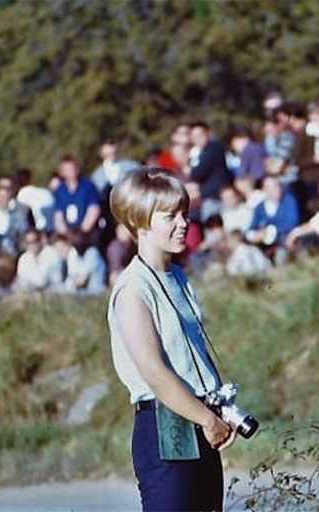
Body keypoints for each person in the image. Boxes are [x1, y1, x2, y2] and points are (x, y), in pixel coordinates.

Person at [107, 168, 235, 511]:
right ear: (140, 222)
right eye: (170, 217)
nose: (183, 224)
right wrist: (208, 420)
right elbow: (154, 370)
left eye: (185, 214)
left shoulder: (178, 277)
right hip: (166, 426)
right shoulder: (133, 288)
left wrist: (216, 413)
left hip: (201, 420)